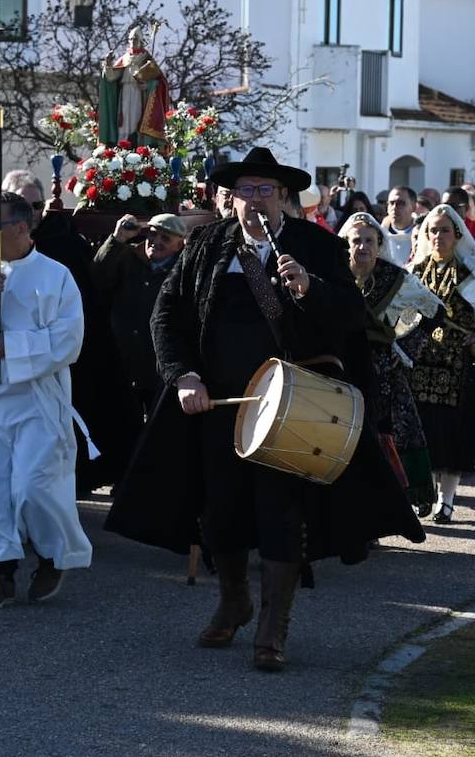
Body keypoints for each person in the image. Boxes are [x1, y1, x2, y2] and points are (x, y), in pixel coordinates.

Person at [106, 146, 424, 672]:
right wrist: (183, 374)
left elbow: (353, 314)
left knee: (281, 514)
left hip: (289, 407)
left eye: (264, 192)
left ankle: (272, 630)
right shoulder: (207, 244)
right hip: (217, 404)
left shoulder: (316, 247)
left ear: (283, 198)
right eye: (244, 192)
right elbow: (168, 315)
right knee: (221, 513)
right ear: (229, 200)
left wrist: (311, 289)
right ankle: (234, 600)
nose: (253, 202)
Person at [0, 193, 93, 608]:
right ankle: (0, 572)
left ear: (22, 228)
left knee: (32, 484)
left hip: (36, 395)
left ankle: (50, 555)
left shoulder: (56, 275)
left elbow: (69, 340)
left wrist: (17, 346)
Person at [4, 169, 142, 493]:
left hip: (62, 356)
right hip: (14, 360)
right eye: (23, 207)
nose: (31, 215)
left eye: (36, 206)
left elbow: (89, 294)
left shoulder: (64, 242)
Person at [408, 204, 475, 523]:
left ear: (456, 235)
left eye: (444, 230)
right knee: (422, 431)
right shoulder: (416, 271)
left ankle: (447, 499)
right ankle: (422, 494)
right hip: (421, 365)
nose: (438, 236)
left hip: (457, 365)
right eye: (432, 230)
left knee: (452, 433)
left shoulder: (473, 272)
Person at [339, 212, 441, 515]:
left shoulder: (394, 277)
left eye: (369, 240)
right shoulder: (335, 277)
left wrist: (405, 347)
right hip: (341, 369)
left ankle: (382, 511)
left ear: (379, 244)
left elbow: (435, 311)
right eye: (356, 240)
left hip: (381, 373)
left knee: (383, 438)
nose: (362, 247)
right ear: (346, 244)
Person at [91, 212, 187, 418]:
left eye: (165, 238)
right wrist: (117, 239)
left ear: (178, 246)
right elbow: (97, 274)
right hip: (122, 366)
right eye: (152, 234)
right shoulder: (127, 257)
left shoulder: (184, 270)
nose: (156, 242)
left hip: (158, 371)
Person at [381, 186, 419, 266]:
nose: (394, 207)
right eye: (391, 203)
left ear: (414, 207)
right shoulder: (380, 235)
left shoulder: (421, 235)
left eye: (401, 203)